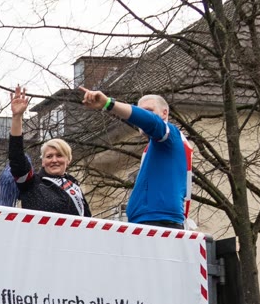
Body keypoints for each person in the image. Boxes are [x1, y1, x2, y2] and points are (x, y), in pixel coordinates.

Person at [77, 87, 190, 228]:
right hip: (149, 220)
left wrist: (108, 103)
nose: (142, 117)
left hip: (157, 220)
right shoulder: (157, 148)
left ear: (164, 113)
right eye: (140, 111)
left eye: (148, 111)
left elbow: (152, 122)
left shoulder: (170, 135)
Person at [3, 84, 89, 216]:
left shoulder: (75, 187)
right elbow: (16, 157)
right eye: (49, 156)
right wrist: (17, 117)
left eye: (59, 155)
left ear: (68, 160)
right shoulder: (32, 183)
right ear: (43, 161)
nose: (54, 160)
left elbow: (89, 221)